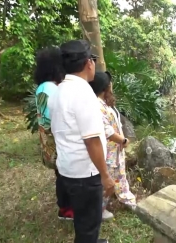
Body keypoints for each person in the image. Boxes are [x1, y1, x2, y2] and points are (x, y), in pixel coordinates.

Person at [48, 39, 114, 243]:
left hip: (68, 168)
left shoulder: (57, 91)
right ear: (88, 63)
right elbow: (92, 140)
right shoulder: (84, 94)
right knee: (89, 223)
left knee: (82, 217)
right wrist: (105, 176)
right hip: (86, 174)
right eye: (93, 59)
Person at [89, 71, 137, 221]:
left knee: (120, 177)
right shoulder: (97, 106)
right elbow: (108, 131)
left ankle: (127, 200)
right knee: (108, 183)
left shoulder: (102, 103)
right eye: (110, 83)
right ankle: (99, 211)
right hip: (109, 152)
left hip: (115, 151)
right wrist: (123, 141)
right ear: (105, 86)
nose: (112, 85)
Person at [33, 46, 73, 220]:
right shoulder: (51, 89)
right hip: (55, 140)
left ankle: (65, 207)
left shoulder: (42, 87)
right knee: (64, 176)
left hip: (47, 139)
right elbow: (56, 117)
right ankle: (66, 210)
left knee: (61, 175)